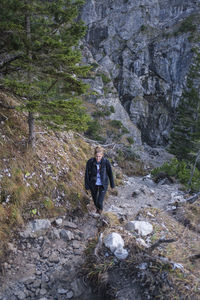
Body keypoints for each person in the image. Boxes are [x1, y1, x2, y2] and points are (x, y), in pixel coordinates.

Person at [85, 146, 115, 214]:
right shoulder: (90, 162)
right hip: (93, 183)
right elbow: (87, 174)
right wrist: (87, 186)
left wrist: (112, 185)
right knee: (95, 200)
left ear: (102, 155)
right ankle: (98, 210)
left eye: (99, 156)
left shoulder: (106, 162)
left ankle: (100, 212)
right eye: (96, 156)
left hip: (103, 183)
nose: (98, 158)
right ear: (94, 155)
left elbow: (110, 173)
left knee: (99, 201)